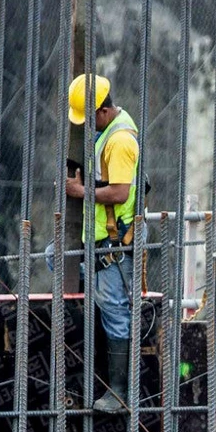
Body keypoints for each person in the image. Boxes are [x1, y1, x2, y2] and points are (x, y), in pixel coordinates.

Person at [55, 73, 141, 414]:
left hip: (113, 241)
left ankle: (119, 393)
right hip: (95, 236)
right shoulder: (107, 130)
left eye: (90, 117)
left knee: (115, 310)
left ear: (103, 112)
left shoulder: (119, 141)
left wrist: (79, 191)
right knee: (54, 257)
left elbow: (119, 192)